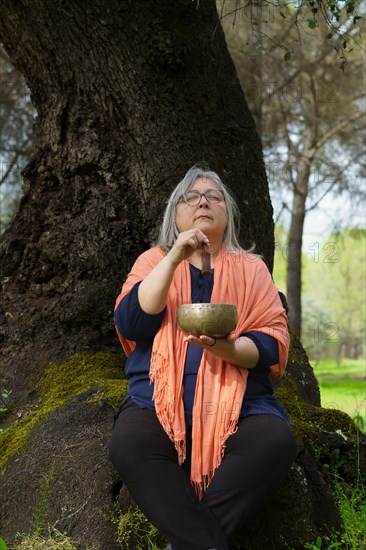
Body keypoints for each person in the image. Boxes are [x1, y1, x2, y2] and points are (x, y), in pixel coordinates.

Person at [110, 165, 297, 550]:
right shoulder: (153, 261)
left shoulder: (252, 268)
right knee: (130, 444)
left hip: (243, 407)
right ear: (175, 215)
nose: (203, 202)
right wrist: (175, 255)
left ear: (226, 213)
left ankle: (186, 542)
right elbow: (131, 322)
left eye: (213, 196)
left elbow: (272, 342)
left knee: (275, 441)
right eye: (191, 197)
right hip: (155, 405)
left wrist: (228, 349)